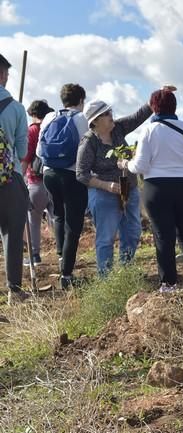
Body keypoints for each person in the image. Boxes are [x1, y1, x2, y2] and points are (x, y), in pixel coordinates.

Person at [125, 89, 183, 292]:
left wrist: (125, 164)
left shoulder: (149, 130)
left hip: (157, 188)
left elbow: (141, 167)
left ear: (153, 108)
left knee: (163, 235)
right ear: (175, 107)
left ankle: (168, 283)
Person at [77, 98, 153, 276]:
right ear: (94, 121)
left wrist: (155, 98)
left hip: (128, 188)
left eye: (110, 111)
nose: (111, 116)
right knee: (106, 237)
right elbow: (81, 174)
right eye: (106, 114)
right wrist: (106, 185)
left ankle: (126, 270)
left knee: (132, 231)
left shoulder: (118, 128)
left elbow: (138, 116)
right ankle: (107, 278)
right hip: (104, 193)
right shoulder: (89, 142)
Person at [38, 83, 88, 289]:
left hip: (49, 174)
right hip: (71, 174)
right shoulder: (81, 119)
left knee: (58, 215)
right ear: (81, 100)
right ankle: (66, 275)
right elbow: (86, 147)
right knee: (74, 225)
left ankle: (61, 258)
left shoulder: (50, 117)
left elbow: (41, 150)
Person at [0, 53, 29, 304]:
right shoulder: (16, 108)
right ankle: (14, 291)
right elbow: (21, 152)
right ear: (3, 75)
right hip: (10, 179)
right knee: (12, 233)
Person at [21, 99, 54, 266]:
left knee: (33, 219)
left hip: (36, 181)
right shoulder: (54, 126)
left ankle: (34, 255)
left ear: (34, 115)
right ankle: (64, 254)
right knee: (58, 218)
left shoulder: (33, 130)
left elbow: (26, 157)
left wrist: (20, 179)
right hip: (56, 180)